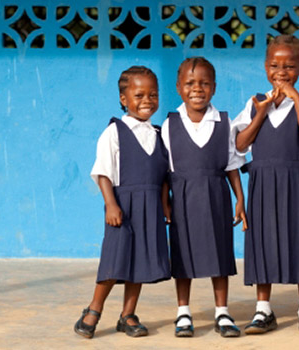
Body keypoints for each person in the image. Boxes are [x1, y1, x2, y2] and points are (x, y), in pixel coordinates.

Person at [232, 34, 299, 338]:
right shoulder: (254, 104)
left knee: (298, 240)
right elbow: (240, 144)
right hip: (261, 181)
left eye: (289, 66)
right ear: (265, 67)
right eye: (275, 65)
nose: (281, 71)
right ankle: (264, 310)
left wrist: (296, 98)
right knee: (261, 242)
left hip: (294, 180)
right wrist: (261, 113)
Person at [74, 66, 170, 339]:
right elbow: (103, 171)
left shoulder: (159, 133)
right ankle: (93, 309)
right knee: (114, 261)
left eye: (153, 94)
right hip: (123, 205)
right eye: (139, 95)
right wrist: (111, 205)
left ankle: (128, 315)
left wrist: (165, 203)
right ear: (123, 99)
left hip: (150, 205)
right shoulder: (114, 132)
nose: (147, 100)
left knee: (139, 263)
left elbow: (164, 176)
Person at [161, 57, 248, 338]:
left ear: (214, 88)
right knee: (183, 256)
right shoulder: (169, 124)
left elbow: (233, 165)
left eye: (204, 83)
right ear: (178, 87)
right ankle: (183, 313)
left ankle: (222, 312)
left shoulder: (225, 121)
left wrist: (240, 199)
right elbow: (165, 170)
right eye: (189, 83)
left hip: (216, 196)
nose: (197, 89)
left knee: (219, 255)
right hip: (183, 199)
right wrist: (165, 203)